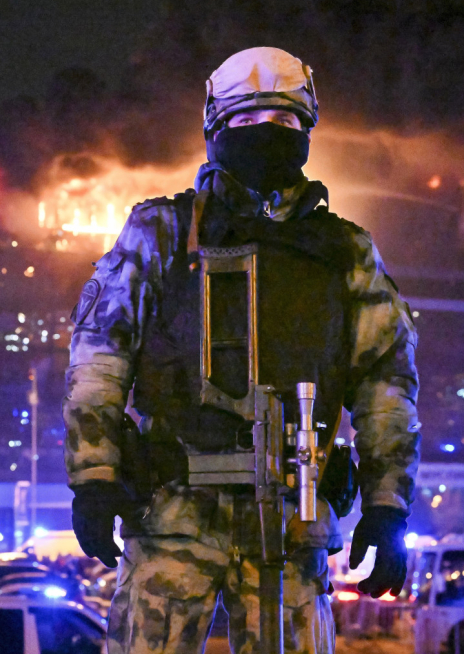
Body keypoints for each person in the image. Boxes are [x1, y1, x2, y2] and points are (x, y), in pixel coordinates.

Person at [63, 47, 420, 654]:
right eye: (247, 121)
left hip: (292, 523)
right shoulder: (160, 233)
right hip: (171, 513)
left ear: (307, 132)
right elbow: (99, 358)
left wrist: (387, 507)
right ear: (215, 129)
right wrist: (94, 477)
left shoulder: (346, 252)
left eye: (283, 121)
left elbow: (386, 384)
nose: (265, 134)